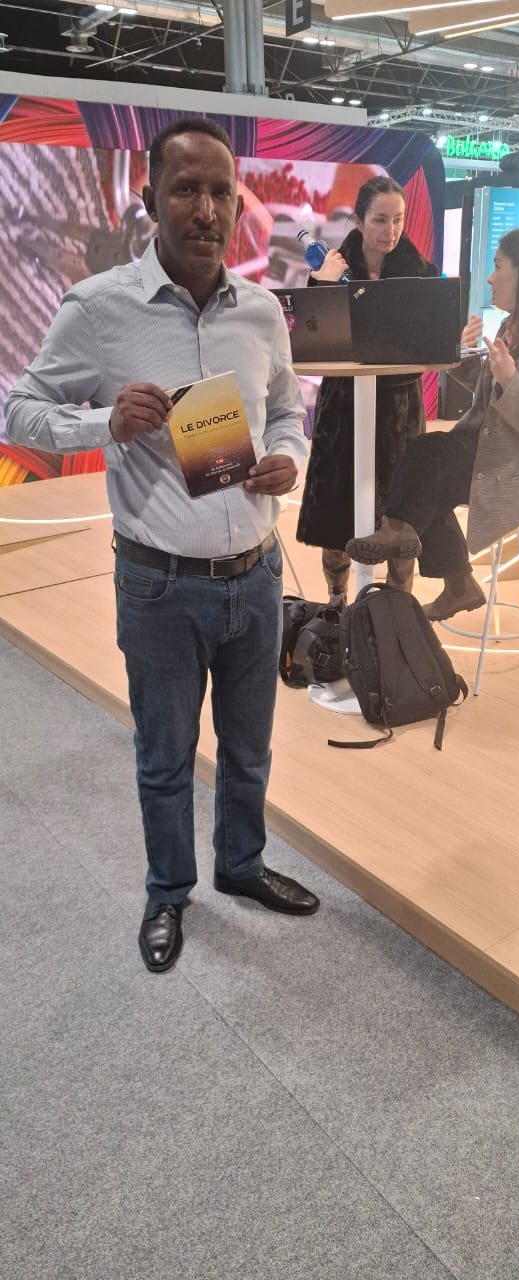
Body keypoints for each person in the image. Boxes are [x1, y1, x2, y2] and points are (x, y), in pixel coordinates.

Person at [5, 117, 319, 975]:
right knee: (164, 756)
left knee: (249, 750)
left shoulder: (262, 312)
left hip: (255, 576)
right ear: (149, 199)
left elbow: (285, 411)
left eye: (221, 192)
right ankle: (168, 890)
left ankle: (241, 865)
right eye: (186, 189)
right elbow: (19, 409)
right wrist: (104, 423)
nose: (207, 209)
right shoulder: (99, 308)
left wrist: (286, 456)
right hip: (159, 585)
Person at [345, 228, 519, 622]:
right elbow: (490, 397)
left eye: (498, 266)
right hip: (494, 445)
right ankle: (454, 581)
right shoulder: (514, 326)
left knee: (426, 455)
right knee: (426, 482)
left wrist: (510, 379)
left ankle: (400, 531)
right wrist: (463, 354)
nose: (490, 278)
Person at [295, 175, 439, 602]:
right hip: (343, 406)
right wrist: (322, 284)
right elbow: (310, 335)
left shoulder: (421, 275)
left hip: (400, 409)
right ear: (358, 220)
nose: (390, 230)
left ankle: (398, 611)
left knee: (401, 513)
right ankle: (337, 602)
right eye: (379, 219)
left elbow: (431, 340)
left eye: (398, 219)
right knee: (339, 510)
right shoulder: (332, 265)